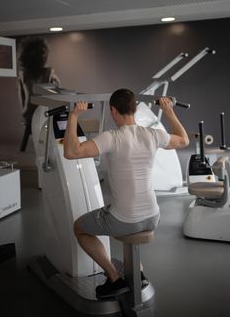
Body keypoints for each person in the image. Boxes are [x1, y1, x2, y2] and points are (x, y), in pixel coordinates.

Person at [63, 88, 189, 299]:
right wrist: (168, 111)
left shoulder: (111, 137)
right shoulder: (153, 134)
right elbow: (184, 140)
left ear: (113, 110)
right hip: (153, 216)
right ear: (134, 109)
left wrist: (74, 115)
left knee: (80, 228)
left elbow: (71, 152)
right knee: (125, 218)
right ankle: (138, 274)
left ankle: (114, 279)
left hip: (125, 219)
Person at [17, 37, 60, 152]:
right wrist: (56, 82)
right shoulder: (48, 71)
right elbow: (56, 93)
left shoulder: (23, 74)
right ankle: (50, 151)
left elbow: (22, 97)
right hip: (43, 112)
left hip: (28, 113)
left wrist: (25, 112)